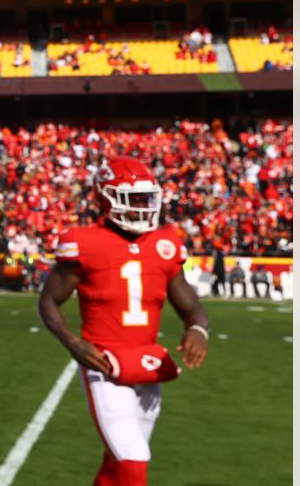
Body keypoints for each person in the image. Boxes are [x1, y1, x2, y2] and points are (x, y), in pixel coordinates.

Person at [39, 157, 209, 486]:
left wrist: (198, 329)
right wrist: (72, 342)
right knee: (133, 461)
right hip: (103, 361)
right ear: (107, 198)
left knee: (120, 462)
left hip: (148, 364)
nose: (144, 207)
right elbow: (48, 300)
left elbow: (191, 307)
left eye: (148, 198)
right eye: (135, 199)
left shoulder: (165, 244)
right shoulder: (84, 242)